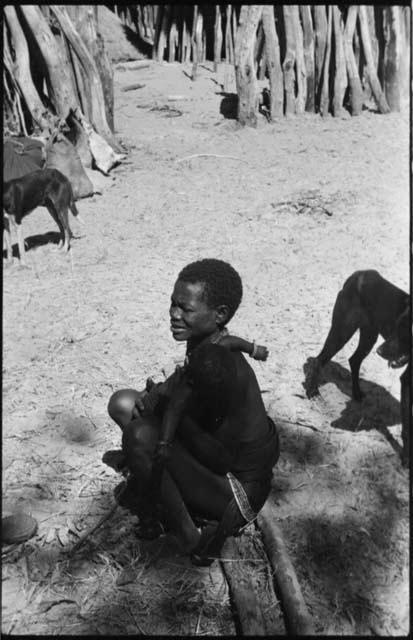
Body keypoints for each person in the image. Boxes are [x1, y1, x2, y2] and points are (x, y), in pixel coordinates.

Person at [106, 258, 279, 565]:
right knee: (124, 404)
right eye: (173, 304)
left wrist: (171, 421)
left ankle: (189, 535)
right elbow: (181, 390)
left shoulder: (222, 370)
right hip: (210, 465)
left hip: (235, 492)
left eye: (185, 309)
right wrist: (161, 398)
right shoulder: (206, 345)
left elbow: (220, 457)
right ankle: (163, 493)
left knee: (140, 434)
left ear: (220, 315)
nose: (174, 315)